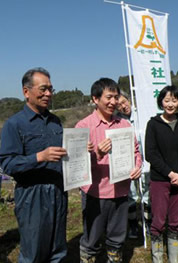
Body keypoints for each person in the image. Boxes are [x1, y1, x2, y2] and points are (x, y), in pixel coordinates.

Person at [0, 67, 68, 263]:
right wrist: (38, 157)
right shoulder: (14, 124)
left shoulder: (55, 121)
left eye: (50, 89)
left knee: (58, 248)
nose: (48, 94)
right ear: (26, 91)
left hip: (58, 189)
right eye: (43, 89)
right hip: (32, 194)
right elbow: (8, 164)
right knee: (34, 251)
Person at [75, 78, 142, 263]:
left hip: (120, 191)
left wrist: (137, 166)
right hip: (95, 194)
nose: (114, 102)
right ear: (95, 99)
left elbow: (136, 151)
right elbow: (76, 166)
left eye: (116, 97)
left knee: (116, 239)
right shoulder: (83, 126)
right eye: (109, 97)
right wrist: (96, 153)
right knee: (91, 240)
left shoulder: (124, 125)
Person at [145, 85, 178, 263]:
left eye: (174, 100)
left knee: (175, 222)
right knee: (158, 221)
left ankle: (174, 259)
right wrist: (170, 173)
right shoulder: (153, 124)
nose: (170, 104)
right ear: (161, 102)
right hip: (160, 180)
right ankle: (157, 259)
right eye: (166, 100)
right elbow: (151, 153)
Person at [116, 91, 151, 239]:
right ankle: (132, 225)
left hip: (145, 161)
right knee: (130, 194)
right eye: (119, 105)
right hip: (127, 163)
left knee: (147, 193)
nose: (124, 106)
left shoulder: (141, 114)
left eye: (124, 102)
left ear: (129, 100)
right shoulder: (117, 121)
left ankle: (148, 223)